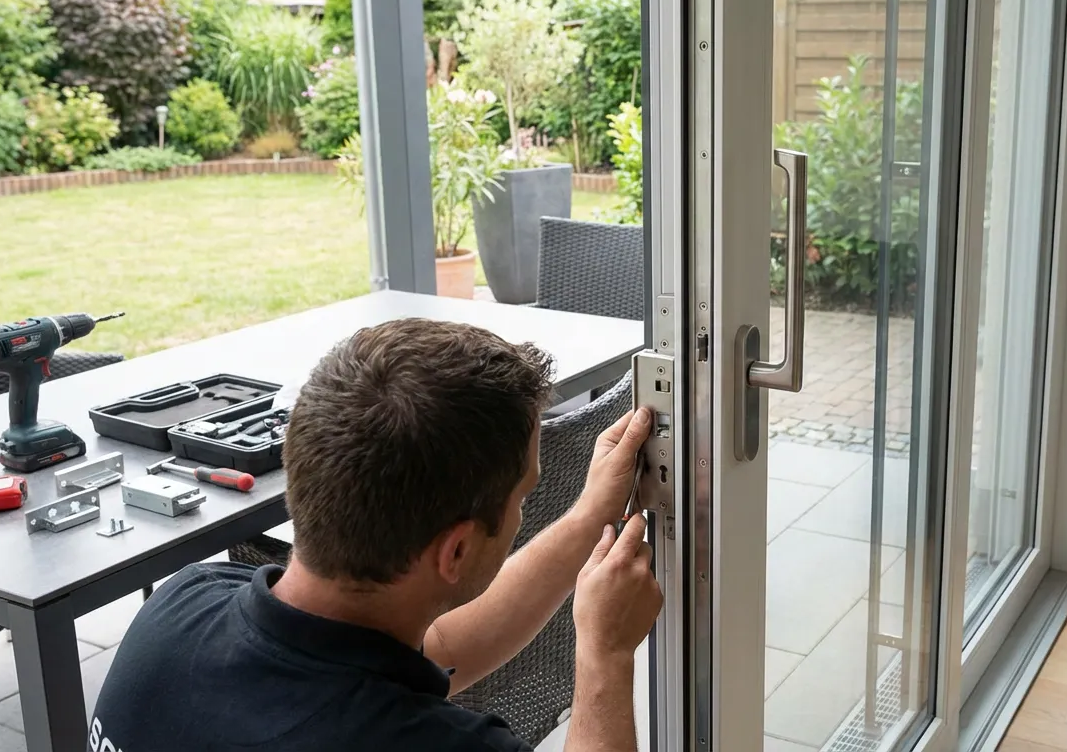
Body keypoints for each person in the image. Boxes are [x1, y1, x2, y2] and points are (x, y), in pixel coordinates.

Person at [89, 318, 663, 752]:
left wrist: (590, 517)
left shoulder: (182, 603)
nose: (522, 509)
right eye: (524, 496)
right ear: (457, 550)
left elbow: (433, 653)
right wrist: (605, 654)